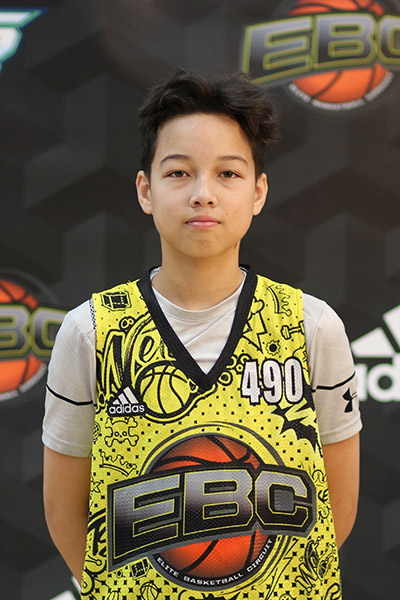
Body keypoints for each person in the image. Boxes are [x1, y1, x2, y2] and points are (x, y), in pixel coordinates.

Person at [43, 70, 361, 600]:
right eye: (179, 173)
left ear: (258, 192)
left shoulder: (312, 326)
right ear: (146, 190)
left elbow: (337, 509)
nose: (203, 194)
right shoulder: (91, 331)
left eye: (228, 173)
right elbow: (62, 510)